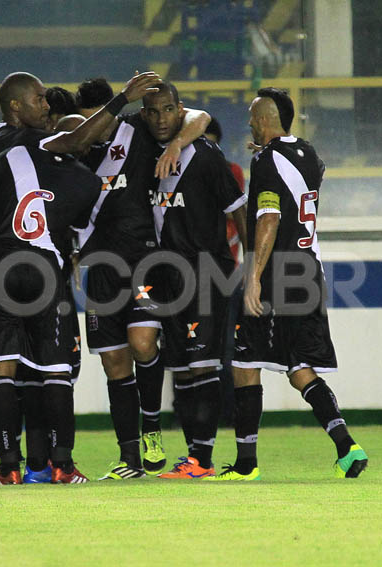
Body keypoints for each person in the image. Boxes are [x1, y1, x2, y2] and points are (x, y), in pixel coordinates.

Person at [0, 70, 162, 484]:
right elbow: (74, 150)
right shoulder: (48, 151)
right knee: (51, 369)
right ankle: (51, 464)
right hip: (42, 265)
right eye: (39, 100)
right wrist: (122, 98)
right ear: (16, 106)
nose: (46, 107)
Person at [216, 87, 368, 482]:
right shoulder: (308, 154)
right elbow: (298, 179)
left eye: (253, 116)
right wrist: (268, 152)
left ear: (265, 120)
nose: (249, 122)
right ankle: (347, 446)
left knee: (244, 363)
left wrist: (253, 278)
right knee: (299, 366)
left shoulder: (267, 161)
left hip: (278, 274)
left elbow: (268, 218)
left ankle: (246, 465)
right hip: (309, 272)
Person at [73, 76, 212, 480]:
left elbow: (200, 116)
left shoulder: (137, 128)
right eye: (89, 120)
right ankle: (129, 457)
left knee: (142, 343)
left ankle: (152, 428)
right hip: (100, 268)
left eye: (100, 118)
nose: (96, 127)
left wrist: (175, 145)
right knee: (114, 361)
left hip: (144, 261)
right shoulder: (75, 146)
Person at [0, 140, 103, 484]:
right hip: (45, 266)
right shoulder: (84, 179)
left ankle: (7, 468)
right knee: (54, 370)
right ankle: (60, 465)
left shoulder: (12, 154)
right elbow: (79, 227)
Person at [127, 82, 247, 480]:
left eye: (168, 109)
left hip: (206, 271)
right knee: (182, 367)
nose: (161, 118)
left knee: (203, 364)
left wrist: (251, 268)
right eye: (153, 111)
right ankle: (194, 456)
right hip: (165, 274)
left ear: (180, 110)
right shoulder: (144, 150)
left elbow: (238, 209)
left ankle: (202, 460)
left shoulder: (206, 155)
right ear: (144, 115)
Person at [203, 118, 246, 427]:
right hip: (191, 272)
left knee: (227, 346)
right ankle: (191, 413)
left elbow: (234, 211)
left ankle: (227, 413)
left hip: (226, 273)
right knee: (192, 344)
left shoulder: (232, 172)